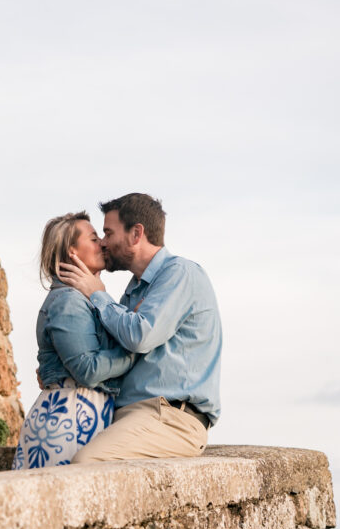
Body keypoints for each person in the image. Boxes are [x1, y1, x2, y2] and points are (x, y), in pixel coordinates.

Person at [57, 192, 222, 463]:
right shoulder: (135, 289)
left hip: (171, 418)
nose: (104, 243)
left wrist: (97, 293)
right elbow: (108, 352)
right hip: (133, 416)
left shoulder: (180, 273)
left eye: (109, 233)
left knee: (86, 464)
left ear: (136, 234)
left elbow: (139, 336)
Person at [12, 212, 136, 469]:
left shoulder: (86, 299)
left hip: (81, 418)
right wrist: (135, 349)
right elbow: (88, 371)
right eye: (93, 239)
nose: (102, 243)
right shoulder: (69, 300)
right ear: (72, 252)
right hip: (67, 423)